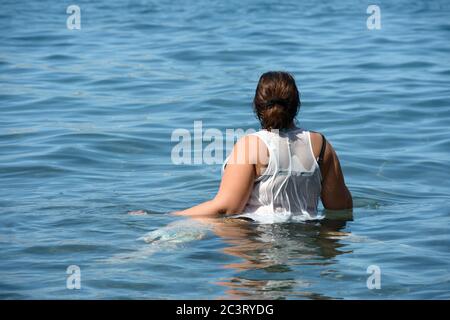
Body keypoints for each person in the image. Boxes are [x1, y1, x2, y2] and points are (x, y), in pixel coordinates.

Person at [174, 71, 352, 219]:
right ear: (296, 105)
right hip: (306, 248)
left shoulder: (252, 145)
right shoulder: (320, 145)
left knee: (176, 232)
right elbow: (340, 206)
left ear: (257, 106)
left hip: (256, 240)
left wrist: (171, 216)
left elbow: (227, 208)